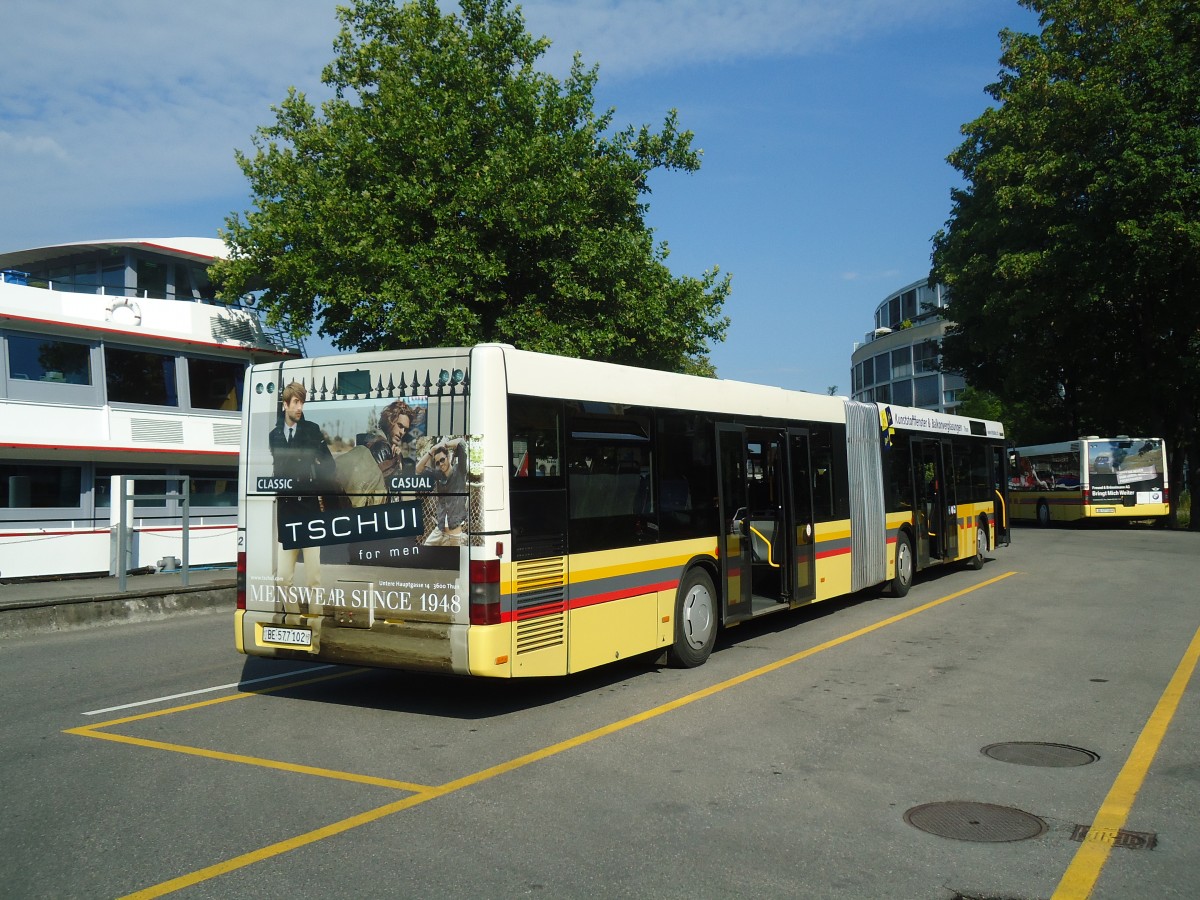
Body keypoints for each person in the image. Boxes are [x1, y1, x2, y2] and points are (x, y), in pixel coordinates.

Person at [268, 381, 335, 589]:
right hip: (287, 513)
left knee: (313, 579)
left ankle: (315, 623)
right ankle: (294, 618)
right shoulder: (274, 436)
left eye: (302, 402)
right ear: (285, 404)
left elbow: (329, 465)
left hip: (309, 512)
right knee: (283, 579)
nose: (300, 408)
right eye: (296, 402)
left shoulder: (312, 431)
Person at [415, 437, 468, 546]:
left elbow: (461, 443)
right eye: (438, 462)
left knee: (453, 562)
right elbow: (418, 469)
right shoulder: (438, 475)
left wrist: (444, 445)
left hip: (455, 537)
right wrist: (432, 450)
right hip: (439, 532)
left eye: (442, 460)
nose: (441, 464)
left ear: (448, 457)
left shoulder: (460, 471)